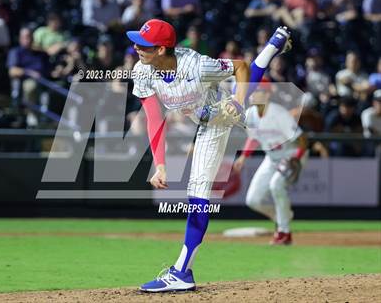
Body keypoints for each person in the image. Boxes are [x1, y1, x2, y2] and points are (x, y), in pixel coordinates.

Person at [126, 19, 292, 292]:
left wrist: (236, 104)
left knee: (197, 191)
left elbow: (240, 66)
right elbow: (154, 119)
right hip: (206, 113)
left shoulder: (197, 64)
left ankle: (182, 271)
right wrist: (160, 165)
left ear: (161, 49)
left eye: (143, 44)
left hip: (217, 118)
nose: (136, 47)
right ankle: (272, 47)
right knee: (247, 95)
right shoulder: (142, 71)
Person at [233, 85, 308, 245]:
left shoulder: (278, 113)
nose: (252, 94)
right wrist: (243, 157)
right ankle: (281, 216)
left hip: (291, 156)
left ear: (267, 95)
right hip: (272, 157)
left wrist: (297, 158)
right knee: (253, 200)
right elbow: (253, 138)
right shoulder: (250, 114)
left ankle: (284, 232)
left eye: (257, 91)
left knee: (276, 186)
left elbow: (302, 139)